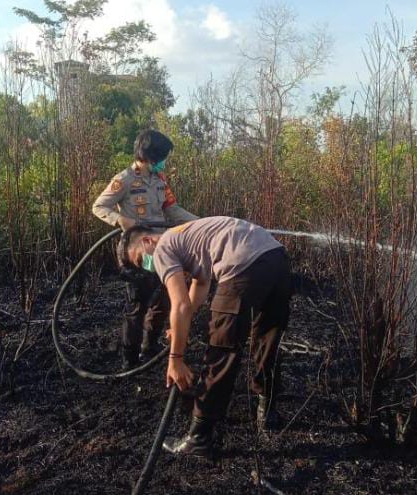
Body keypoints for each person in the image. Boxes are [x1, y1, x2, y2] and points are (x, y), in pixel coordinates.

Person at [117, 216, 291, 457]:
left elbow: (180, 306)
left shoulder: (162, 247)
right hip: (277, 258)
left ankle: (200, 437)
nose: (148, 265)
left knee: (221, 347)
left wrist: (175, 359)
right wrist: (180, 325)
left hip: (242, 263)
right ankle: (268, 411)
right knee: (267, 339)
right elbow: (200, 284)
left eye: (141, 259)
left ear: (147, 241)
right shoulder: (185, 236)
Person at [93, 130, 198, 370]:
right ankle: (128, 360)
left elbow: (172, 209)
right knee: (138, 304)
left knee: (164, 298)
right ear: (152, 154)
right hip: (136, 254)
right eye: (163, 156)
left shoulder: (160, 180)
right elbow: (99, 206)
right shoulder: (125, 180)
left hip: (162, 249)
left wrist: (201, 222)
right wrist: (121, 220)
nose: (165, 161)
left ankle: (149, 346)